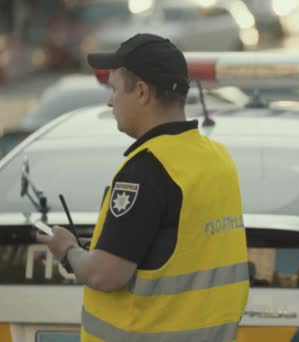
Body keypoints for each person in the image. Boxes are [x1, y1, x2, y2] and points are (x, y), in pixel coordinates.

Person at [37, 33, 250, 341]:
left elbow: (104, 274)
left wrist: (67, 250)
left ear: (140, 92)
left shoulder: (147, 170)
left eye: (114, 89)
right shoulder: (218, 160)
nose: (110, 101)